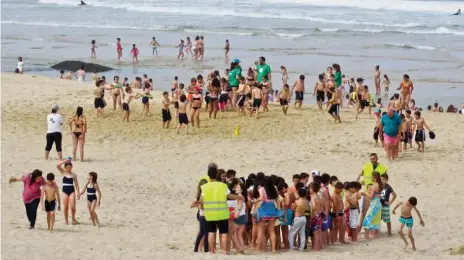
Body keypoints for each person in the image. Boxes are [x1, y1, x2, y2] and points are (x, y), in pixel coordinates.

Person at [195, 163, 241, 254]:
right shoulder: (222, 186)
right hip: (222, 213)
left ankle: (211, 251)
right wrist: (239, 197)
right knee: (224, 232)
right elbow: (230, 196)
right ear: (217, 174)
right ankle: (224, 251)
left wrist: (196, 202)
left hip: (210, 214)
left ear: (208, 175)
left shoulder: (205, 187)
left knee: (211, 232)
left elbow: (202, 200)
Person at [57, 159, 80, 225]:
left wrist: (78, 193)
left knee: (72, 206)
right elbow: (58, 165)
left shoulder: (74, 175)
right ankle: (66, 220)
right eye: (67, 168)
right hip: (65, 191)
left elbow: (76, 184)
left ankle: (73, 218)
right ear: (65, 168)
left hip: (71, 191)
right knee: (66, 207)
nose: (68, 169)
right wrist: (65, 161)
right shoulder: (63, 172)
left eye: (69, 168)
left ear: (71, 167)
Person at [362, 171, 383, 239]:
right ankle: (374, 235)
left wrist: (364, 194)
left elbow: (371, 197)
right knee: (375, 219)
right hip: (378, 203)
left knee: (367, 219)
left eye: (372, 176)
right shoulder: (380, 185)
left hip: (374, 203)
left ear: (375, 177)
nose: (371, 177)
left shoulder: (374, 185)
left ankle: (367, 237)